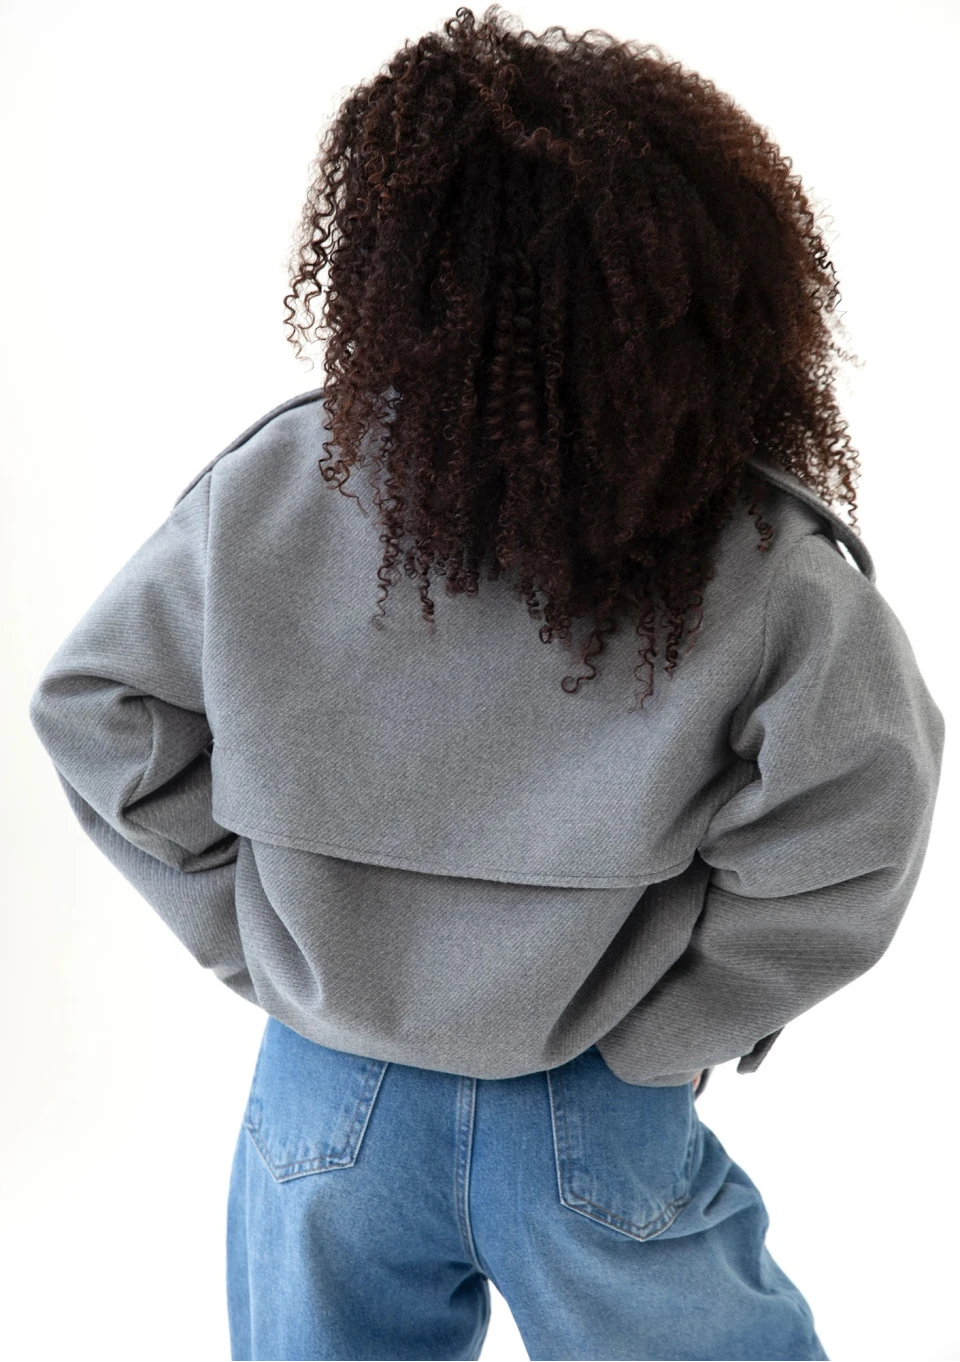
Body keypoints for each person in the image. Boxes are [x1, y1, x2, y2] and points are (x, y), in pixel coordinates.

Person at [27, 7, 945, 1360]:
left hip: (325, 1100)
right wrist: (676, 1021)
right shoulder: (761, 557)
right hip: (590, 1095)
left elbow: (98, 711)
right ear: (705, 289)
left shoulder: (277, 489)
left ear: (390, 270)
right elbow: (862, 812)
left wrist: (269, 946)